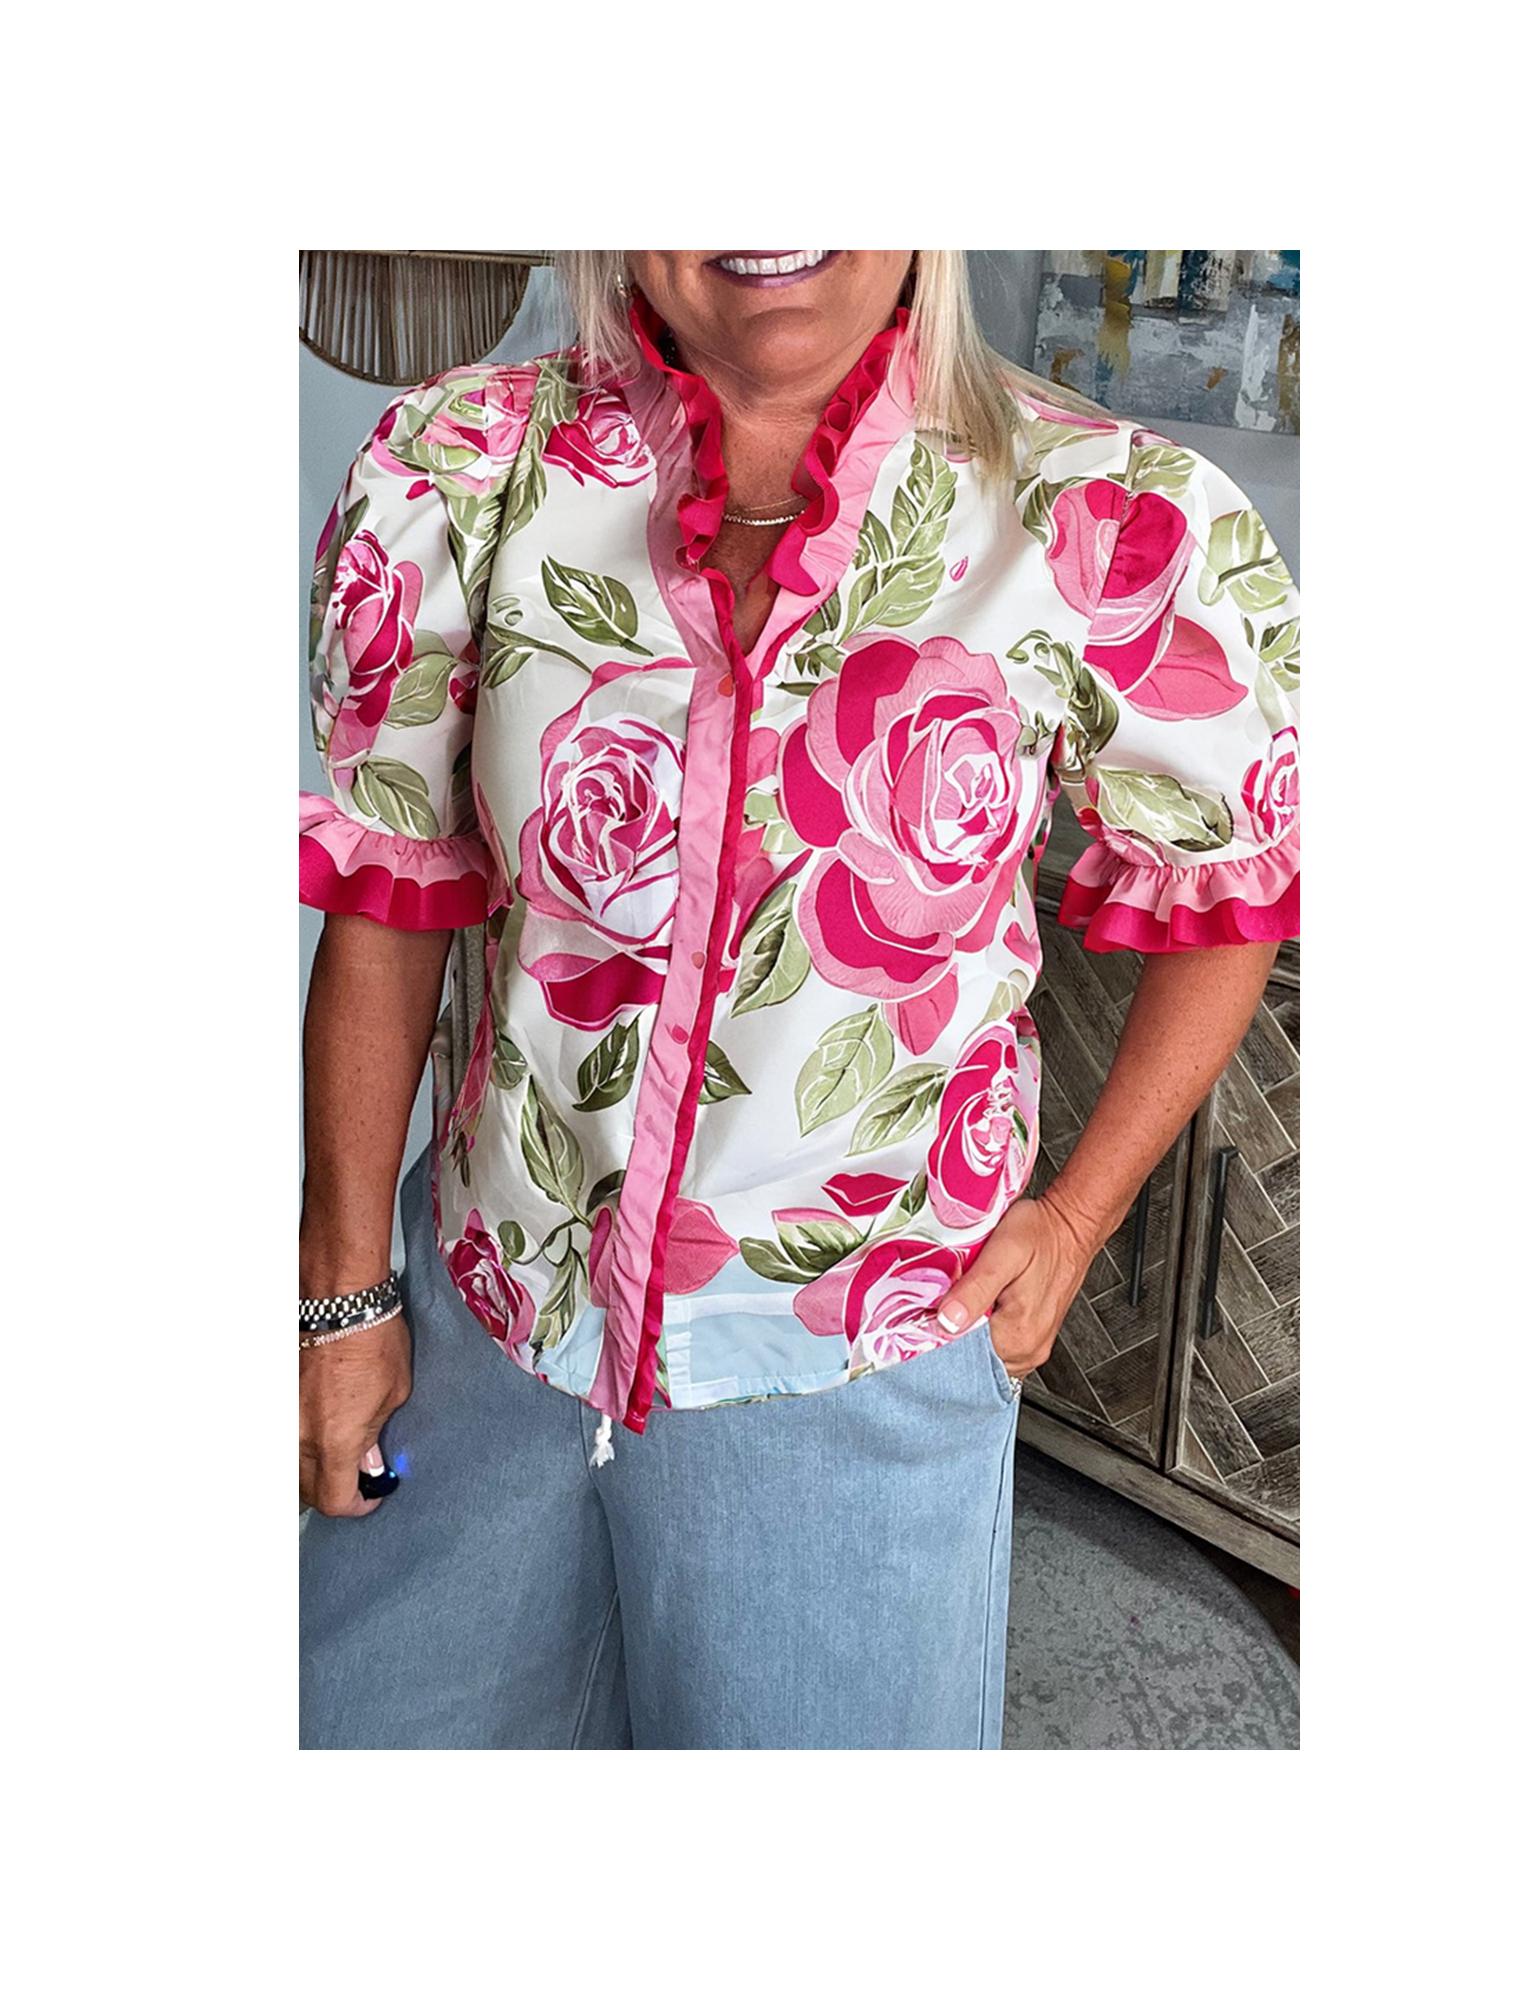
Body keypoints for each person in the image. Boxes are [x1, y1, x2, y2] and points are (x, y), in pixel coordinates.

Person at [298, 250, 1300, 1749]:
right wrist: (341, 1293)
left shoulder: (1110, 513)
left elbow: (1235, 878)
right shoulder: (464, 469)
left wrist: (1076, 1221)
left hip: (856, 1376)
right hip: (484, 1327)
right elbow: (391, 893)